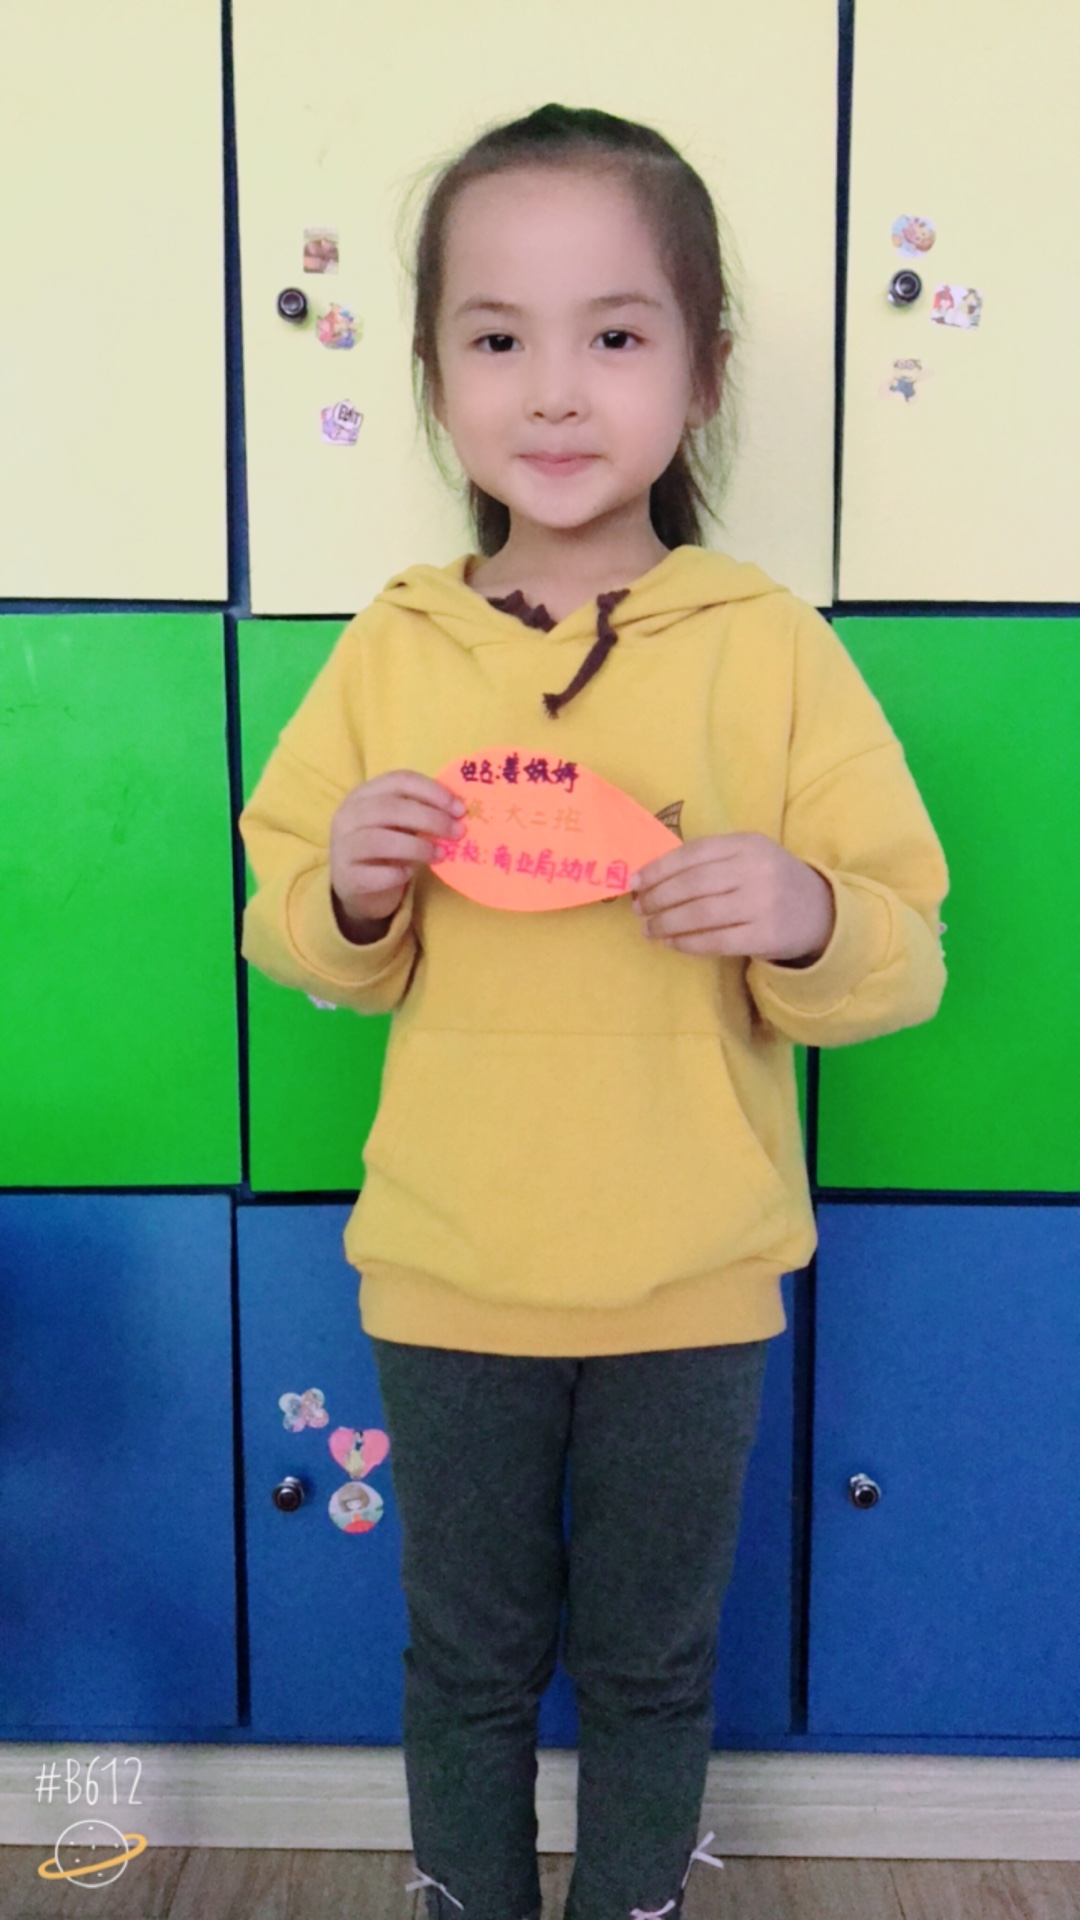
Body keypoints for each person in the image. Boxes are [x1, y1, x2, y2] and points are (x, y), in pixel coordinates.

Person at [239, 104, 949, 1920]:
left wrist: (805, 912)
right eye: (498, 338)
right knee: (465, 1662)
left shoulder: (768, 645)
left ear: (704, 370)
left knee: (651, 1666)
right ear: (434, 375)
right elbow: (293, 926)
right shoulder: (397, 645)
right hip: (448, 1271)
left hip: (691, 1281)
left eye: (616, 334)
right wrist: (352, 889)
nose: (554, 391)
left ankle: (635, 1897)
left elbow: (905, 950)